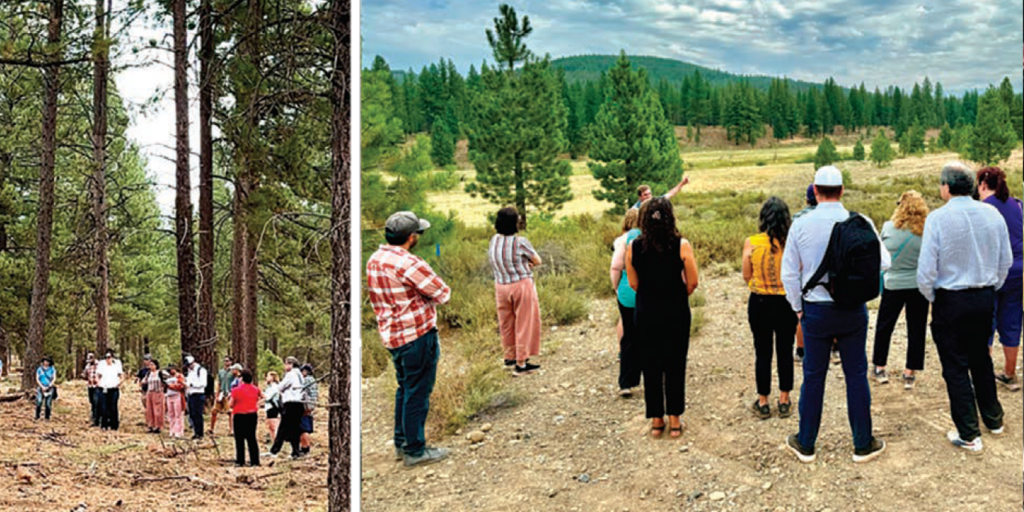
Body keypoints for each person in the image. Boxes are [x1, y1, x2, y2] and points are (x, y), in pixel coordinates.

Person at [781, 166, 890, 464]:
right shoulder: (860, 221)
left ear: (815, 191)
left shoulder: (801, 224)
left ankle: (806, 443)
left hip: (815, 310)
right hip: (853, 310)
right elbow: (885, 263)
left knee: (814, 377)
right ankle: (862, 443)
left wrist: (798, 309)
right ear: (842, 190)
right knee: (856, 376)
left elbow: (789, 274)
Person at [918, 162, 1010, 452]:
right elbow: (1004, 260)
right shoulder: (992, 213)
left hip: (950, 298)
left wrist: (934, 297)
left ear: (945, 187)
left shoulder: (937, 219)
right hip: (984, 296)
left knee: (955, 366)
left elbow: (925, 272)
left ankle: (969, 433)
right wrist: (991, 286)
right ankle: (994, 419)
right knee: (980, 358)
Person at [367, 211, 452, 467]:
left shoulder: (375, 259)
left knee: (404, 388)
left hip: (393, 336)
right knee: (418, 391)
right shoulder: (409, 263)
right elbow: (443, 293)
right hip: (417, 334)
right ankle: (415, 449)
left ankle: (401, 442)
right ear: (411, 237)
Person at [625, 197, 699, 439]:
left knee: (651, 364)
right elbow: (693, 281)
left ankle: (657, 421)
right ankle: (675, 421)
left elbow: (634, 283)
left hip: (646, 311)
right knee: (675, 363)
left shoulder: (633, 247)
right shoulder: (681, 245)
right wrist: (679, 292)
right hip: (675, 309)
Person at [742, 197, 797, 420]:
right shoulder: (791, 242)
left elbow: (746, 274)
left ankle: (763, 400)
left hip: (760, 301)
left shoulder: (752, 242)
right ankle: (784, 399)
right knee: (785, 349)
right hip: (786, 301)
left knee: (762, 351)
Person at [873, 191, 930, 389]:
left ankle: (880, 367)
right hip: (917, 284)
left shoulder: (888, 228)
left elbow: (880, 255)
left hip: (893, 283)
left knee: (884, 327)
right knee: (916, 328)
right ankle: (909, 372)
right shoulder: (926, 231)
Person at [977, 167, 1022, 392]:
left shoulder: (984, 209)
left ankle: (984, 377)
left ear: (983, 184)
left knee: (986, 322)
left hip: (993, 272)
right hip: (1019, 272)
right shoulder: (1018, 204)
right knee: (1012, 321)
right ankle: (1010, 373)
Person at [488, 206, 543, 376]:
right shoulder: (520, 242)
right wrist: (527, 264)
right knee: (525, 322)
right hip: (520, 284)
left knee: (506, 322)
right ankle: (521, 362)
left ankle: (509, 355)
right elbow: (537, 260)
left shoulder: (494, 240)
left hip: (501, 285)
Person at [610, 208, 642, 397]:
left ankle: (626, 382)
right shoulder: (654, 236)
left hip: (627, 293)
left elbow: (616, 266)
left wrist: (617, 288)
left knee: (629, 336)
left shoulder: (623, 240)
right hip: (650, 294)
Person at [792, 185, 818, 363]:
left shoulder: (797, 218)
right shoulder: (835, 217)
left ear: (807, 199)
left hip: (803, 271)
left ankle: (801, 350)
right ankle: (834, 346)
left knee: (802, 314)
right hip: (827, 272)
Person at [266, 357, 305, 459]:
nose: (284, 366)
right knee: (295, 428)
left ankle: (274, 451)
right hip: (299, 403)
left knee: (283, 427)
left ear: (291, 364)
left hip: (290, 403)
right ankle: (295, 451)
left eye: (286, 364)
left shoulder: (291, 374)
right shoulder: (300, 374)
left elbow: (280, 387)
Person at [230, 369, 262, 467]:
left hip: (239, 415)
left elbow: (230, 404)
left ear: (242, 378)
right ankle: (255, 460)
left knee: (239, 438)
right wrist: (258, 404)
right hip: (252, 415)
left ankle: (240, 461)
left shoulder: (236, 390)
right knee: (251, 437)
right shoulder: (256, 389)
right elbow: (263, 397)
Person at [96, 349, 124, 431]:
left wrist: (119, 383)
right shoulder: (101, 364)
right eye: (107, 357)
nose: (108, 359)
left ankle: (114, 425)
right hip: (103, 387)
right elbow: (98, 375)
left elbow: (121, 375)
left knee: (113, 407)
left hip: (113, 388)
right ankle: (104, 424)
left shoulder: (117, 364)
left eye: (110, 357)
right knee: (103, 407)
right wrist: (98, 382)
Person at [184, 355, 208, 440]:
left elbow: (203, 383)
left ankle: (200, 433)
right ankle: (195, 432)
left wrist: (192, 385)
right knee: (192, 414)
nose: (188, 367)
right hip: (190, 394)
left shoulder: (201, 370)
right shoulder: (190, 372)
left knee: (198, 414)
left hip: (198, 394)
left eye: (189, 365)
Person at [210, 356, 235, 436]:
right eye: (225, 361)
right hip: (221, 393)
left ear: (231, 362)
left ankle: (231, 430)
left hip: (229, 394)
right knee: (214, 411)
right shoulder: (221, 372)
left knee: (230, 412)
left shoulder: (233, 372)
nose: (226, 362)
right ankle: (211, 429)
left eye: (227, 361)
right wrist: (217, 394)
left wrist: (232, 393)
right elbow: (219, 383)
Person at [299, 364, 319, 455]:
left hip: (305, 406)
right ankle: (305, 447)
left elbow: (300, 390)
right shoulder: (313, 380)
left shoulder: (307, 380)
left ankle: (305, 447)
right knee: (305, 427)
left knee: (303, 428)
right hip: (311, 405)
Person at [163, 364, 187, 438]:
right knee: (171, 413)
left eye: (171, 369)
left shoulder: (180, 376)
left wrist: (170, 386)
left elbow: (181, 386)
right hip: (169, 396)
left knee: (178, 414)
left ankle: (179, 431)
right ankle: (172, 430)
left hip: (177, 396)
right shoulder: (168, 377)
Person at [143, 359, 166, 434]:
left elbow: (167, 380)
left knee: (158, 410)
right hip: (150, 392)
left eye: (152, 365)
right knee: (149, 410)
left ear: (156, 365)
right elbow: (144, 381)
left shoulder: (160, 373)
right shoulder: (148, 373)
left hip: (158, 392)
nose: (151, 366)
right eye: (150, 365)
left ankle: (158, 426)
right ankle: (151, 425)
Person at [35, 356, 57, 421]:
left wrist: (49, 385)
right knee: (39, 402)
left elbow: (54, 378)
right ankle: (37, 416)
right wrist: (42, 386)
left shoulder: (52, 369)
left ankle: (47, 417)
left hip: (49, 388)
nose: (46, 363)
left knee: (48, 404)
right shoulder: (39, 369)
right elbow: (37, 378)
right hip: (41, 387)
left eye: (47, 361)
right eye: (45, 361)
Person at [263, 371, 282, 444]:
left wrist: (262, 397)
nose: (266, 378)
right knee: (271, 427)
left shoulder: (274, 387)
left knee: (274, 427)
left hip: (273, 408)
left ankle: (276, 444)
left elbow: (267, 397)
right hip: (268, 407)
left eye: (268, 376)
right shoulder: (269, 387)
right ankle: (274, 443)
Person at [83, 352, 101, 427]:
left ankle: (96, 419)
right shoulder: (87, 366)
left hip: (97, 386)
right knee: (92, 402)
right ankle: (94, 416)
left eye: (90, 359)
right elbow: (85, 375)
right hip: (90, 386)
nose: (89, 361)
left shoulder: (99, 365)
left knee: (96, 401)